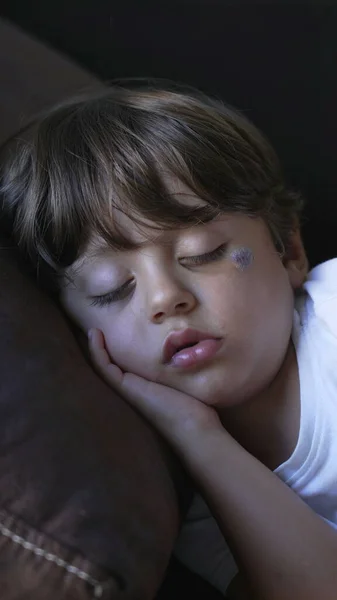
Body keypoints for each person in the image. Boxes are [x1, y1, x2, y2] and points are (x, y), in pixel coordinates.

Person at [1, 81, 337, 600]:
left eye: (202, 253)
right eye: (113, 290)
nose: (164, 298)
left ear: (288, 248)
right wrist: (198, 437)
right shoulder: (205, 507)